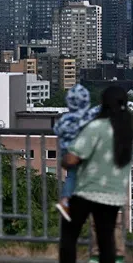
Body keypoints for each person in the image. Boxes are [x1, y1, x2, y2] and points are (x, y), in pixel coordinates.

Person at [53, 86, 133, 263]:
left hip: (86, 191)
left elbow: (73, 158)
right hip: (113, 195)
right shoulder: (128, 131)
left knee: (68, 237)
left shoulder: (97, 127)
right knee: (107, 242)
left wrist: (64, 161)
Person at [54, 84, 99, 222]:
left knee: (71, 177)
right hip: (81, 152)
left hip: (66, 154)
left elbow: (57, 130)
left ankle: (66, 200)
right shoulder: (87, 117)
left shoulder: (65, 119)